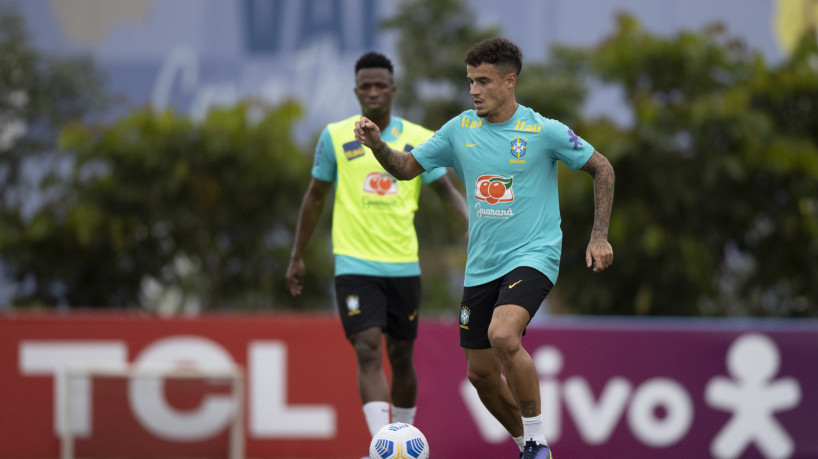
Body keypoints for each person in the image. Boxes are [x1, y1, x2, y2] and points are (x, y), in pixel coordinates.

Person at [354, 38, 615, 459]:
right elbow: (406, 169)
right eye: (470, 81)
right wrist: (379, 146)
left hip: (534, 255)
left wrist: (599, 234)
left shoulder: (542, 131)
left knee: (502, 335)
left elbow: (601, 166)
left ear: (510, 82)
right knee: (480, 375)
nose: (474, 90)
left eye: (484, 81)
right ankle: (526, 448)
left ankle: (537, 440)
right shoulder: (459, 131)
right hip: (482, 266)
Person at [286, 52, 468, 448]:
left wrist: (478, 233)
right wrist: (297, 255)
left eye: (379, 85)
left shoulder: (419, 138)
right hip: (354, 263)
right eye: (364, 86)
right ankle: (386, 447)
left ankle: (406, 443)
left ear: (392, 89)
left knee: (401, 356)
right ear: (355, 91)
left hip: (403, 265)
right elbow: (315, 196)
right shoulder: (335, 136)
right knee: (368, 349)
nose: (372, 92)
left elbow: (448, 193)